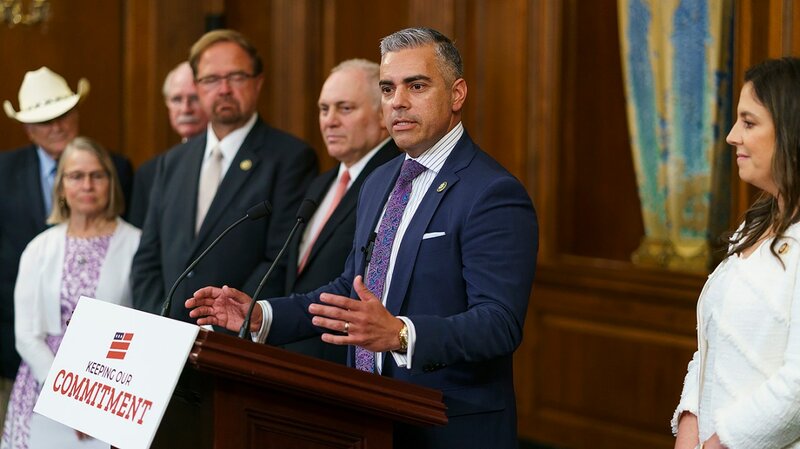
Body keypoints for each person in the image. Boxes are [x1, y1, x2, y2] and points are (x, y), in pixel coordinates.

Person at [186, 27, 538, 448]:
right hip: (368, 419)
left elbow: (499, 323)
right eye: (388, 89)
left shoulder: (492, 192)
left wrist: (401, 334)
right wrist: (263, 315)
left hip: (449, 427)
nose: (398, 101)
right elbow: (350, 289)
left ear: (457, 94)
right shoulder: (379, 181)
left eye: (416, 86)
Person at [131, 29, 317, 322]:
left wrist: (226, 326)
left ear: (258, 82)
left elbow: (279, 260)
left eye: (236, 77)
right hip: (168, 334)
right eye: (211, 79)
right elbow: (147, 259)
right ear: (197, 86)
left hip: (234, 337)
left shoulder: (290, 158)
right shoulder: (173, 162)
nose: (224, 89)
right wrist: (160, 325)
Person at [672, 57, 800, 449]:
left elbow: (797, 386)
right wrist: (690, 426)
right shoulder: (753, 227)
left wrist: (719, 443)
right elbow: (712, 349)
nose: (731, 136)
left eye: (748, 122)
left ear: (791, 131)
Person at [0, 67, 133, 430]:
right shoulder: (4, 174)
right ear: (28, 129)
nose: (57, 127)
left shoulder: (120, 171)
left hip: (110, 380)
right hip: (23, 361)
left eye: (96, 176)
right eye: (45, 121)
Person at [281, 58, 399, 364]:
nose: (329, 121)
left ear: (383, 115)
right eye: (324, 109)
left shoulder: (396, 180)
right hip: (296, 353)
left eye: (345, 108)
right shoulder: (321, 184)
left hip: (345, 359)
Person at [128, 61, 209, 228]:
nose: (186, 109)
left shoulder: (228, 161)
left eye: (194, 98)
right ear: (167, 104)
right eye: (177, 99)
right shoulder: (149, 172)